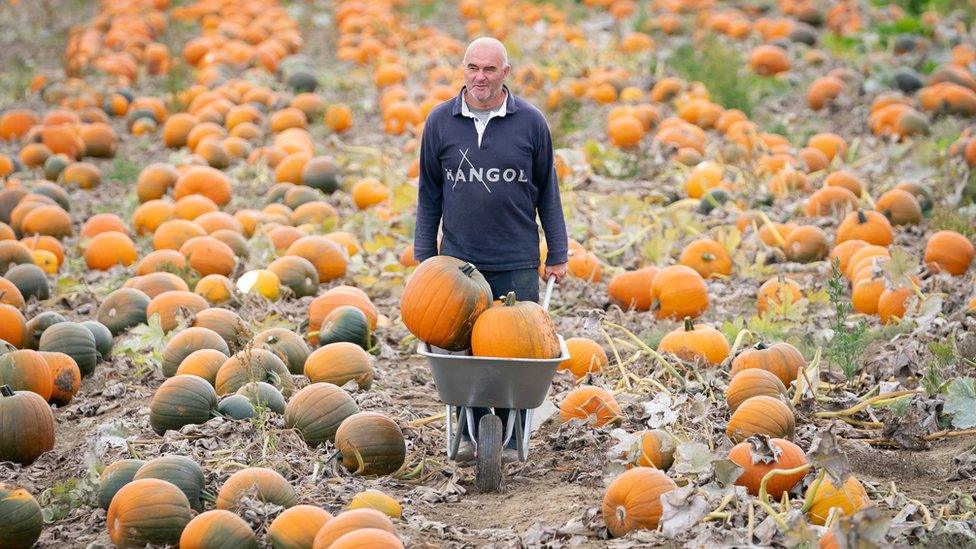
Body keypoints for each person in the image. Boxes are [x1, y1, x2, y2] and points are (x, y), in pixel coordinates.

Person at [413, 37, 569, 462]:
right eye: (473, 68)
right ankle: (471, 433)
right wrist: (425, 256)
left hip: (516, 259)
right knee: (467, 356)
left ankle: (513, 434)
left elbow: (548, 193)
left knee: (516, 352)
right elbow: (429, 194)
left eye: (490, 69)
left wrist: (557, 251)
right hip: (458, 264)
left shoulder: (531, 123)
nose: (480, 77)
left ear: (506, 72)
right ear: (463, 69)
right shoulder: (441, 122)